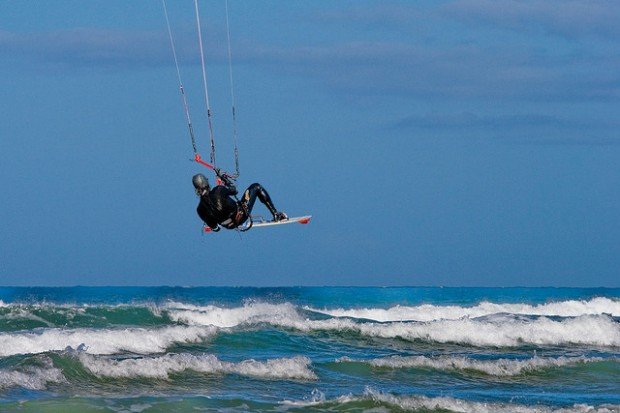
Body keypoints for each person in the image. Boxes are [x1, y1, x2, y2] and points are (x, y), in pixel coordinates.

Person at [192, 173, 287, 231]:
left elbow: (215, 228)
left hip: (229, 226)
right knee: (256, 187)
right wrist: (226, 181)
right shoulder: (218, 190)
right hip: (241, 215)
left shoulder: (199, 209)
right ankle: (276, 214)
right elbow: (234, 190)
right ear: (207, 183)